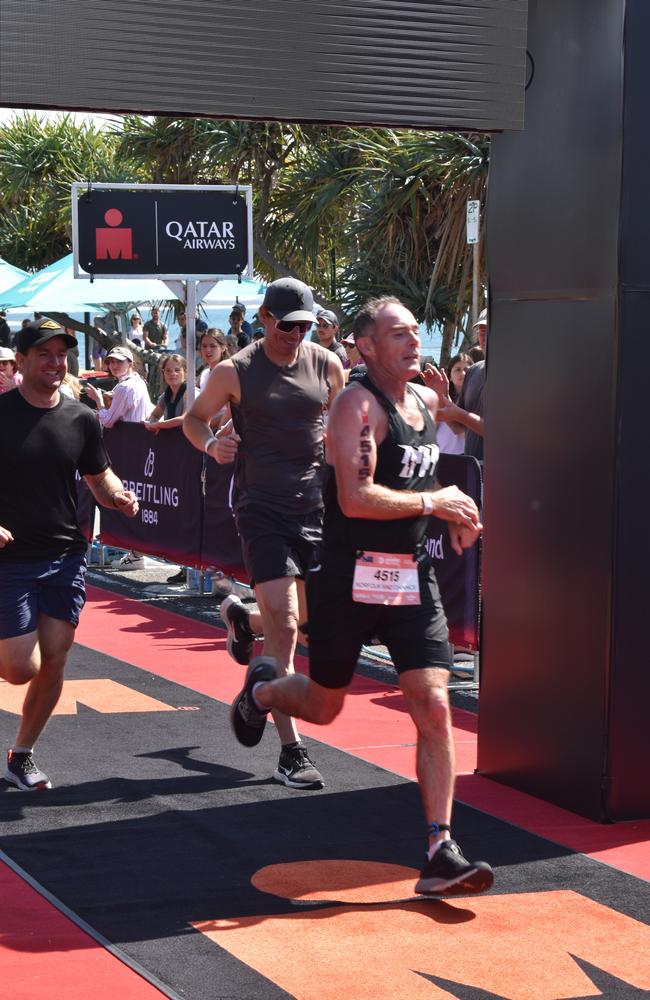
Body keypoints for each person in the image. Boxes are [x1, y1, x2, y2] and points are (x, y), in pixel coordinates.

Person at [229, 296, 494, 898]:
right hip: (347, 577)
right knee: (325, 707)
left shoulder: (427, 401)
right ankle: (263, 689)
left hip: (409, 578)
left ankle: (440, 850)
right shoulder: (355, 404)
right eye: (397, 334)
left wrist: (458, 513)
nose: (413, 342)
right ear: (366, 346)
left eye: (414, 332)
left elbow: (423, 479)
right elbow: (355, 498)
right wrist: (437, 502)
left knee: (433, 705)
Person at [184, 277, 345, 790]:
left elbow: (342, 428)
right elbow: (194, 419)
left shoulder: (327, 364)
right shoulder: (236, 370)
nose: (298, 334)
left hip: (317, 509)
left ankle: (240, 618)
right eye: (288, 326)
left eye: (307, 326)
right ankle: (291, 752)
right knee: (288, 627)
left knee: (309, 616)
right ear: (266, 320)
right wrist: (212, 445)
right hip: (262, 509)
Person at [0, 319, 140, 791]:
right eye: (45, 354)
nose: (56, 363)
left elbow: (100, 479)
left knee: (56, 659)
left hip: (65, 554)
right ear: (20, 361)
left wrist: (120, 497)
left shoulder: (80, 417)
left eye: (62, 355)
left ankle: (22, 754)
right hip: (10, 560)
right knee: (21, 668)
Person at [85, 346, 152, 571]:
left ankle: (130, 549)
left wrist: (98, 402)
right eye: (112, 362)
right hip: (138, 447)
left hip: (127, 449)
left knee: (122, 496)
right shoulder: (137, 383)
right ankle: (132, 549)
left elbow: (109, 420)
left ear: (130, 363)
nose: (114, 366)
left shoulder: (125, 387)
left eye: (119, 362)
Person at [435, 353, 471, 455]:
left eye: (466, 370)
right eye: (458, 369)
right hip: (441, 455)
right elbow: (431, 429)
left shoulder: (476, 401)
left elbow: (462, 432)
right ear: (450, 376)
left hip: (465, 457)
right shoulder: (439, 398)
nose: (463, 373)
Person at [144, 354, 189, 432]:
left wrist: (158, 425)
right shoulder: (166, 395)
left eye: (177, 370)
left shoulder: (191, 393)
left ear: (185, 372)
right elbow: (155, 415)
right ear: (163, 373)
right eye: (168, 370)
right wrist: (150, 422)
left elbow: (185, 419)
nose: (172, 373)